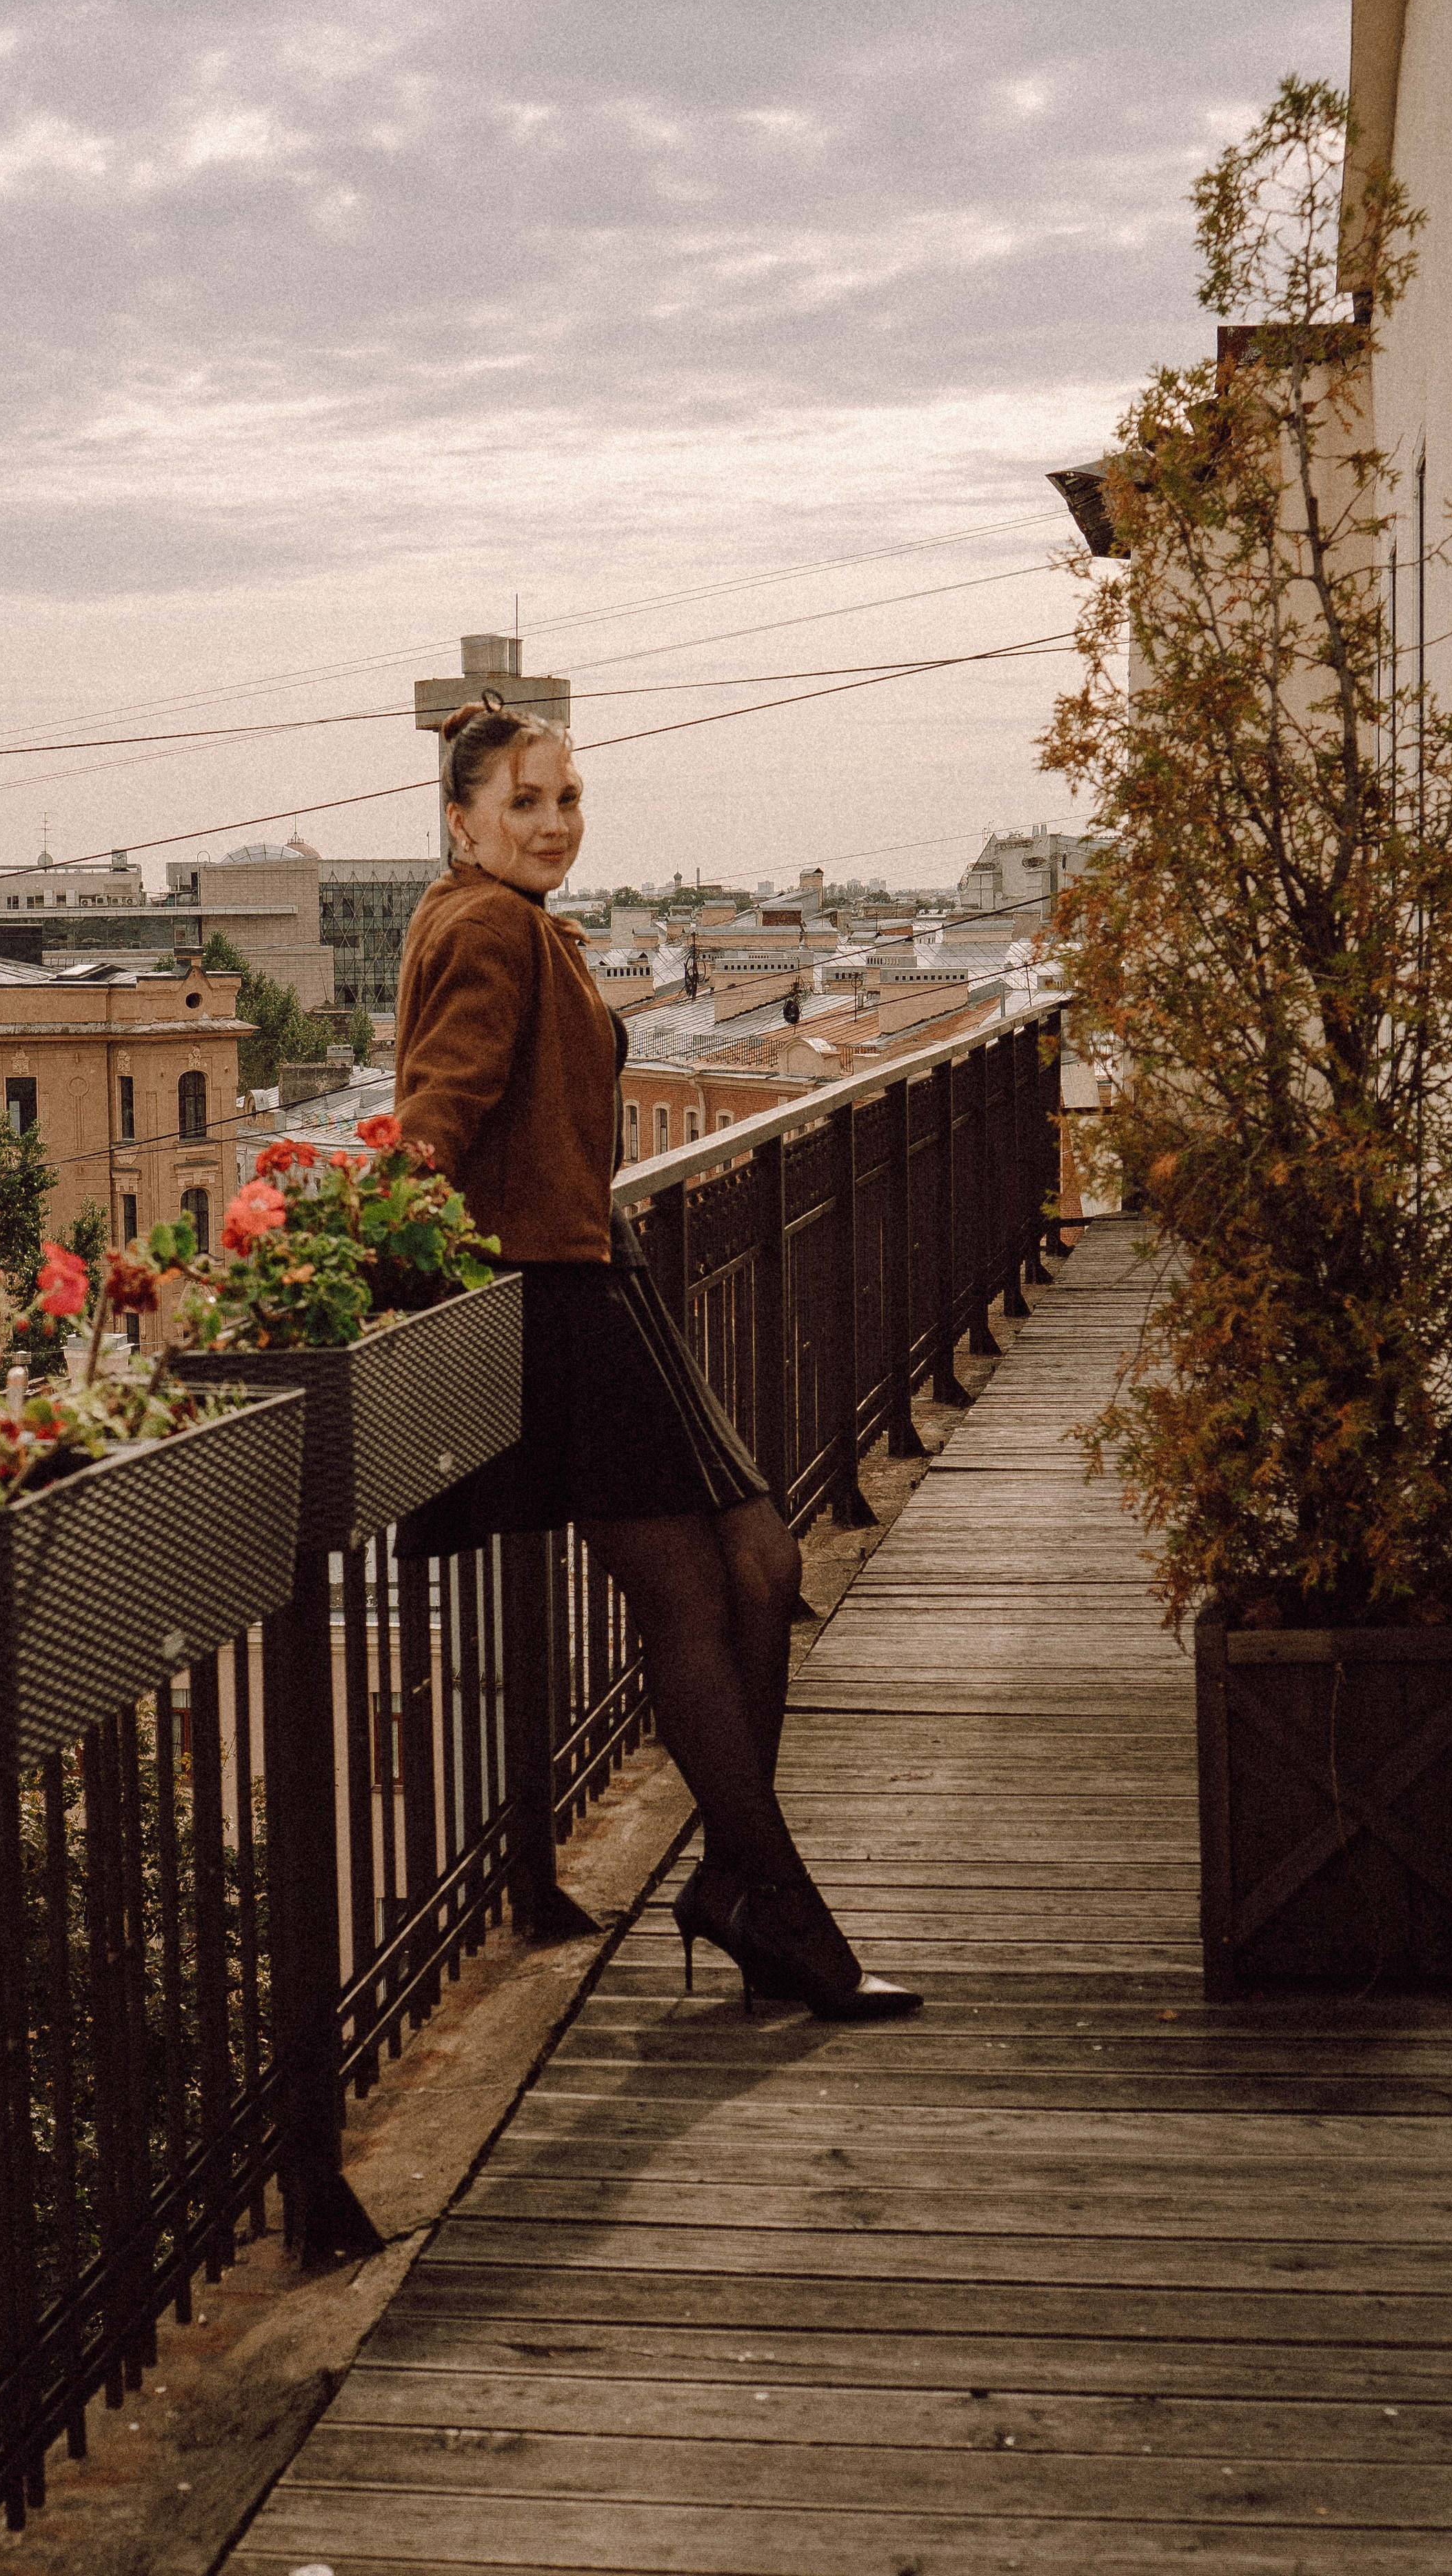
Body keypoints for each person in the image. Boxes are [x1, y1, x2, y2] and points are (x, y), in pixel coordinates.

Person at [394, 697, 920, 2022]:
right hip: (551, 1300)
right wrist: (349, 1233)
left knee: (760, 1565)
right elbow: (435, 1111)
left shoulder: (508, 920)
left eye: (568, 800)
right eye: (527, 803)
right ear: (461, 819)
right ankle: (768, 1899)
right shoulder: (486, 927)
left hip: (594, 1278)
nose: (556, 823)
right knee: (699, 1595)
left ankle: (743, 1883)